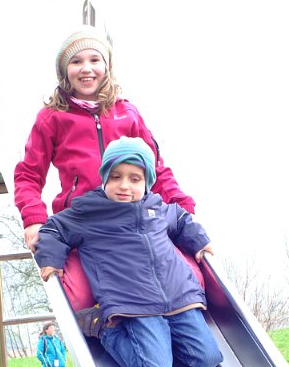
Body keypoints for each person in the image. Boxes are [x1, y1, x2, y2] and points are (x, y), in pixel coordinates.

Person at [13, 24, 200, 311]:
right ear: (64, 71)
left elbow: (155, 167)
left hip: (135, 219)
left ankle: (172, 318)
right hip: (87, 222)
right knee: (78, 298)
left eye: (94, 60)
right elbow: (28, 174)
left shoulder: (126, 113)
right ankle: (103, 325)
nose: (86, 69)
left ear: (107, 66)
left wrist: (180, 203)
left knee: (195, 279)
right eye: (76, 62)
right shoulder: (53, 118)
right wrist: (34, 219)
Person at [34, 136, 223, 367]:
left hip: (178, 296)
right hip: (132, 302)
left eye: (135, 179)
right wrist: (51, 259)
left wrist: (199, 241)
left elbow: (181, 219)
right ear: (105, 178)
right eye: (116, 177)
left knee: (209, 359)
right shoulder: (90, 212)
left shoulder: (156, 207)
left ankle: (166, 341)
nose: (124, 185)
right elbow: (53, 229)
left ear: (147, 182)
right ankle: (102, 327)